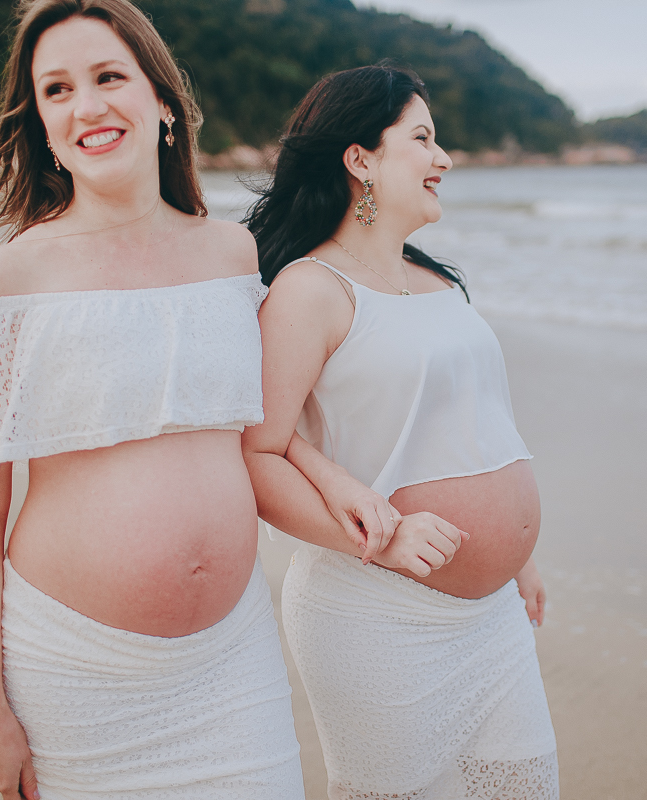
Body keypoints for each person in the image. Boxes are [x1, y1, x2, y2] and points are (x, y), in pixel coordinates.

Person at [0, 1, 303, 797]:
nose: (86, 106)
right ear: (43, 126)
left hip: (235, 663)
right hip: (75, 676)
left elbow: (268, 443)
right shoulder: (9, 278)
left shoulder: (234, 254)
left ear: (162, 101)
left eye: (108, 76)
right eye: (57, 90)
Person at [242, 64, 559, 800]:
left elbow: (470, 424)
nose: (442, 159)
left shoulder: (437, 279)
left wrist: (515, 555)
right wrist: (382, 536)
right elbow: (256, 452)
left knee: (524, 787)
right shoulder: (310, 291)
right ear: (361, 160)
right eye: (422, 138)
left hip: (493, 618)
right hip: (377, 611)